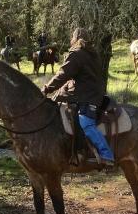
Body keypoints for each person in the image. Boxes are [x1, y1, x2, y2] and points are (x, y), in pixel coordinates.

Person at [42, 28, 114, 166]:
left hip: (88, 96)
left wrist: (47, 88)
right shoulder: (91, 53)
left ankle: (106, 154)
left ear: (75, 39)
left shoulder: (77, 54)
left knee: (86, 122)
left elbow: (63, 74)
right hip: (88, 93)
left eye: (72, 38)